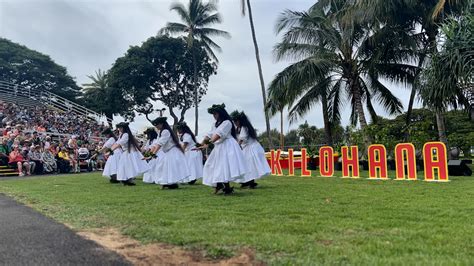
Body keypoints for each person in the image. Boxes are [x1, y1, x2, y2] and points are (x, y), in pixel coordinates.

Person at [196, 104, 248, 195]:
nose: (214, 116)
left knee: (224, 166)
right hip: (219, 146)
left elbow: (218, 135)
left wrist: (207, 144)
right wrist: (200, 144)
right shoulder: (215, 124)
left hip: (227, 146)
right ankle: (220, 185)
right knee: (212, 165)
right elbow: (209, 134)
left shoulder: (227, 122)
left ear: (221, 113)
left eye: (215, 114)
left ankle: (224, 187)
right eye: (213, 114)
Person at [146, 117, 190, 189]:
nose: (156, 126)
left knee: (169, 168)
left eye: (157, 124)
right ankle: (168, 183)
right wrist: (149, 155)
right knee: (164, 167)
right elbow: (155, 145)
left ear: (161, 124)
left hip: (173, 151)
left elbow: (159, 144)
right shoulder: (160, 132)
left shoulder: (166, 131)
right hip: (167, 152)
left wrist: (152, 155)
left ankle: (169, 183)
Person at [231, 111, 271, 188]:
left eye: (236, 121)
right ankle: (246, 181)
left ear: (240, 121)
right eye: (234, 121)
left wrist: (235, 148)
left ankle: (250, 182)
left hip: (252, 148)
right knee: (246, 165)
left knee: (250, 166)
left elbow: (240, 141)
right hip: (247, 148)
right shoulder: (238, 129)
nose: (235, 123)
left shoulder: (244, 128)